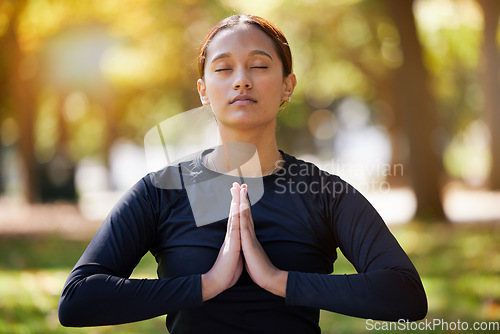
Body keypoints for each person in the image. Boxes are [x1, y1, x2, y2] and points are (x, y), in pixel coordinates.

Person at [58, 14, 427, 333]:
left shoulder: (324, 193)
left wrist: (277, 280)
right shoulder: (161, 192)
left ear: (287, 86)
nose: (241, 80)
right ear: (204, 91)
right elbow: (78, 300)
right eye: (223, 68)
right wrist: (207, 284)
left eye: (259, 65)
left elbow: (405, 295)